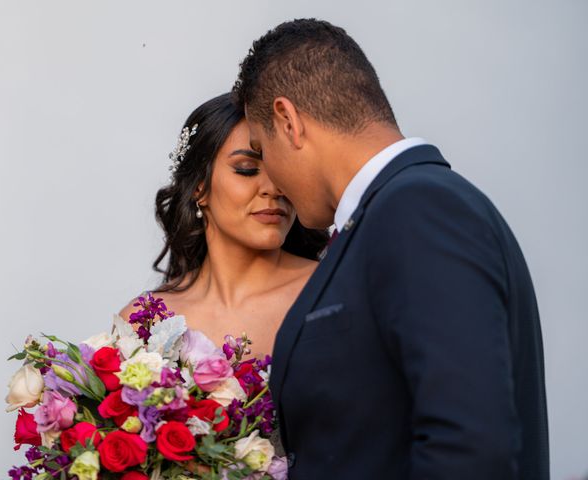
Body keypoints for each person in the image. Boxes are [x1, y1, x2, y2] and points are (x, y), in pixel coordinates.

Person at [234, 18, 549, 479]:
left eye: (263, 151)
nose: (273, 183)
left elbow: (469, 446)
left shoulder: (419, 207)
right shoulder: (388, 215)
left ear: (288, 121)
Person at [120, 92, 328, 360]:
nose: (273, 188)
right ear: (199, 187)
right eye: (245, 168)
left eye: (283, 170)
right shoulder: (144, 321)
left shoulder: (330, 290)